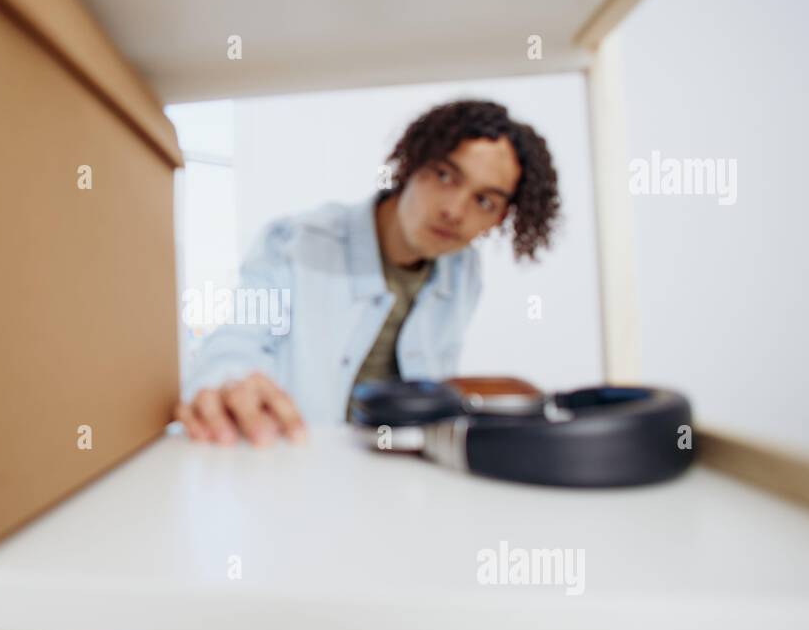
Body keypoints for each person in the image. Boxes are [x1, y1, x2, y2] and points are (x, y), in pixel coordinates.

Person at [174, 99, 560, 445]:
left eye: (484, 200)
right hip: (292, 460)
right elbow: (235, 344)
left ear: (501, 217)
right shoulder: (293, 242)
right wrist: (227, 382)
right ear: (413, 162)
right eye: (445, 176)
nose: (455, 211)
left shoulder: (464, 271)